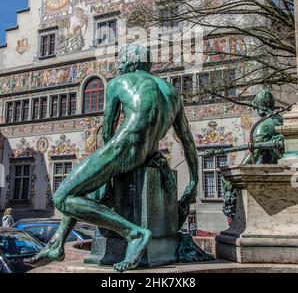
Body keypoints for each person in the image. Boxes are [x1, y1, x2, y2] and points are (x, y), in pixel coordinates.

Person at [25, 43, 199, 272]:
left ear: (132, 62)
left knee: (62, 197)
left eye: (122, 61)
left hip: (121, 148)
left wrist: (106, 170)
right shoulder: (172, 93)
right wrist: (194, 180)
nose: (120, 65)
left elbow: (108, 130)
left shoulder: (118, 82)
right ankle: (57, 243)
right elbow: (187, 140)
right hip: (145, 153)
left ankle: (134, 233)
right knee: (82, 187)